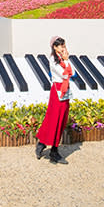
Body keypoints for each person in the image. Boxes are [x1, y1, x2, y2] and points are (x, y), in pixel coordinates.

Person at [35, 36, 76, 164]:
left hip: (65, 91)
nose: (63, 48)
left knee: (62, 119)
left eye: (63, 45)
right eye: (60, 46)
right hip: (57, 91)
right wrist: (66, 61)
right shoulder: (53, 60)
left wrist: (67, 60)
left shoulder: (64, 59)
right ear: (54, 47)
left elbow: (72, 72)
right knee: (53, 119)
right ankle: (44, 144)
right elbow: (63, 74)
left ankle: (53, 149)